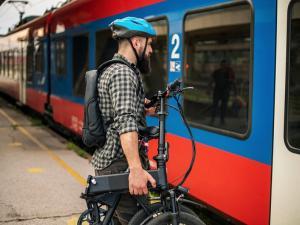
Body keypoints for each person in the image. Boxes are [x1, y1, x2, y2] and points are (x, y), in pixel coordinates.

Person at [91, 17, 157, 225]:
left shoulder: (116, 69)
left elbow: (116, 111)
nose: (151, 50)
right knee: (139, 221)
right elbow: (125, 122)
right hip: (119, 164)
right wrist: (136, 170)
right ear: (137, 42)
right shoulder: (122, 73)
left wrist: (142, 108)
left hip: (113, 162)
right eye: (150, 44)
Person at [209, 59, 236, 125]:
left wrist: (235, 91)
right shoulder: (217, 72)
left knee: (223, 106)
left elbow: (233, 82)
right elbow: (211, 80)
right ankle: (213, 119)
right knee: (215, 105)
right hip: (217, 91)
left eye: (225, 64)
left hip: (225, 91)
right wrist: (208, 88)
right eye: (223, 64)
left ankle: (222, 120)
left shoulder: (230, 72)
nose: (224, 66)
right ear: (221, 65)